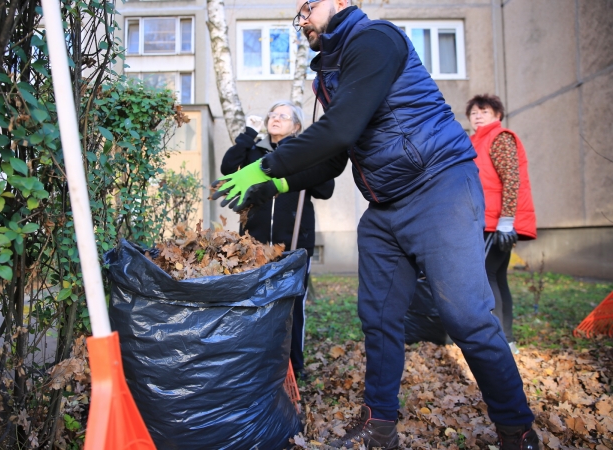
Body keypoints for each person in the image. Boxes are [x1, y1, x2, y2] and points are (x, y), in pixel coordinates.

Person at [212, 1, 540, 449]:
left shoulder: (375, 40)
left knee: (466, 317)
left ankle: (517, 430)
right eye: (298, 12)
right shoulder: (331, 72)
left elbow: (341, 130)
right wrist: (274, 185)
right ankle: (379, 425)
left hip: (439, 185)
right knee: (379, 318)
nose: (302, 17)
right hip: (385, 205)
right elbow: (332, 158)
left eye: (309, 5)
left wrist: (266, 165)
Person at [220, 100, 334, 380]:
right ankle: (257, 361)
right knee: (254, 302)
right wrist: (247, 135)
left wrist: (312, 157)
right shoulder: (255, 151)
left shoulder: (304, 153)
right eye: (273, 114)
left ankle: (295, 364)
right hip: (254, 243)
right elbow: (227, 167)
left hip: (294, 243)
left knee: (292, 304)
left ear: (296, 126)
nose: (275, 118)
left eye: (283, 115)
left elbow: (325, 188)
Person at [467, 94, 537, 355]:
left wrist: (506, 222)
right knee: (496, 275)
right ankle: (506, 339)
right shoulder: (474, 142)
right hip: (484, 221)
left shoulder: (500, 138)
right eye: (473, 112)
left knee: (486, 274)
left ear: (497, 115)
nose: (477, 115)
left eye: (483, 111)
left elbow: (511, 179)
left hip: (497, 223)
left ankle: (499, 339)